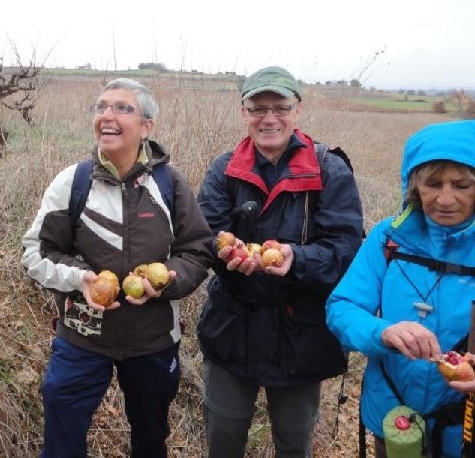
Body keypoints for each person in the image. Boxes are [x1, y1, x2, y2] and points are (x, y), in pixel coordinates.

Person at [21, 78, 212, 458]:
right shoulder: (73, 182)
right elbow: (35, 254)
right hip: (81, 337)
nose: (107, 115)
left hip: (152, 340)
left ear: (146, 126)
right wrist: (80, 280)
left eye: (122, 108)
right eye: (101, 107)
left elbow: (197, 251)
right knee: (61, 442)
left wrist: (169, 281)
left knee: (150, 439)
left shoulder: (169, 186)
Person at [196, 66, 364, 457]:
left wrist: (296, 259)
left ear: (297, 110)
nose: (269, 118)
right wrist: (226, 255)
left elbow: (346, 250)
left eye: (279, 107)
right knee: (223, 433)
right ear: (244, 112)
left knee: (294, 441)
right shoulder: (224, 170)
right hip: (232, 328)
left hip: (300, 334)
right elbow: (206, 236)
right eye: (258, 108)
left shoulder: (330, 169)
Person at [326, 120, 475, 458]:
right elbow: (342, 307)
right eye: (433, 184)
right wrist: (382, 332)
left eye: (462, 185)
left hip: (465, 426)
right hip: (393, 415)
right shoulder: (388, 238)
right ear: (413, 186)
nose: (446, 198)